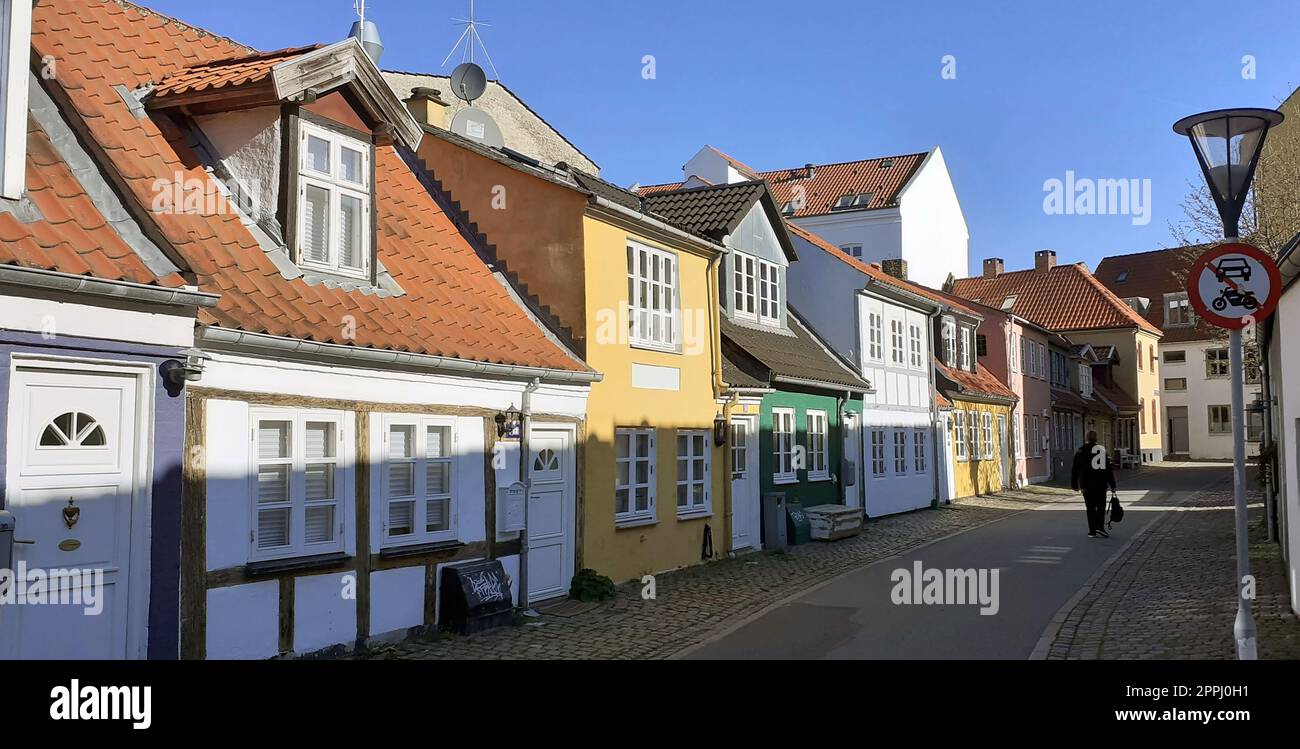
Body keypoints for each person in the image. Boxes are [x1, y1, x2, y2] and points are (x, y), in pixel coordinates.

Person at [1070, 430, 1116, 538]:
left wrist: (1075, 485)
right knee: (1101, 506)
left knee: (1090, 507)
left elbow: (1075, 469)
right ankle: (1099, 526)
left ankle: (1092, 530)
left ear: (1086, 438)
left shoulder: (1081, 451)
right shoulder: (1101, 451)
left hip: (1086, 485)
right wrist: (1112, 485)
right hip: (1100, 484)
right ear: (1096, 438)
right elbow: (1108, 470)